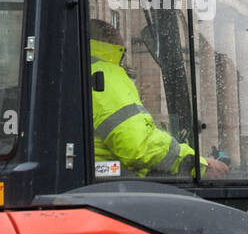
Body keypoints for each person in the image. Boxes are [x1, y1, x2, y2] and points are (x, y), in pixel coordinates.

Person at [89, 19, 228, 178]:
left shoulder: (88, 69)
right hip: (111, 185)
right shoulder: (106, 74)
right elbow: (138, 145)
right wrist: (198, 165)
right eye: (114, 30)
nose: (120, 36)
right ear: (106, 39)